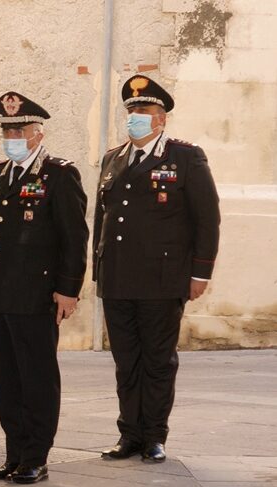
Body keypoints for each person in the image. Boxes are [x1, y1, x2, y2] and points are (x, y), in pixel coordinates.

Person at [94, 74, 220, 463]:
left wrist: (200, 273)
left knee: (158, 361)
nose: (135, 117)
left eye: (143, 111)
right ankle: (129, 434)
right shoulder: (113, 158)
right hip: (117, 279)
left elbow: (207, 218)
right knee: (126, 361)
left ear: (161, 118)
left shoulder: (185, 157)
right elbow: (103, 218)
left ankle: (154, 436)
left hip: (162, 279)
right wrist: (97, 269)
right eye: (131, 111)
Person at [0, 92, 88, 484]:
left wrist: (68, 289)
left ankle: (36, 456)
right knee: (7, 378)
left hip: (35, 295)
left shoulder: (58, 175)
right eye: (6, 129)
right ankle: (14, 453)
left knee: (36, 377)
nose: (11, 135)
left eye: (19, 129)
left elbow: (74, 237)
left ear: (37, 133)